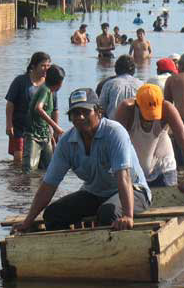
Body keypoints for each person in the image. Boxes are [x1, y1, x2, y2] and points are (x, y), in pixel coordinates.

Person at [11, 88, 151, 234]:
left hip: (134, 191)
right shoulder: (67, 142)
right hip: (96, 193)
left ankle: (109, 251)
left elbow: (124, 177)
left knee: (108, 213)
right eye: (76, 113)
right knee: (53, 214)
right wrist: (28, 221)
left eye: (85, 111)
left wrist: (128, 215)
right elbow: (49, 185)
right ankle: (70, 250)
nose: (81, 117)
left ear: (98, 112)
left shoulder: (114, 133)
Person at [115, 84, 184, 192]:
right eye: (147, 115)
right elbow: (114, 144)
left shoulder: (167, 109)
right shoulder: (126, 110)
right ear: (137, 105)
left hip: (163, 167)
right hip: (135, 171)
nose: (150, 120)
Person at [5, 52, 55, 165]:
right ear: (33, 66)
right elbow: (10, 103)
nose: (46, 69)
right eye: (43, 66)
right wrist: (9, 124)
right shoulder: (21, 81)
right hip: (20, 127)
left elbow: (54, 109)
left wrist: (54, 128)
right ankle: (21, 182)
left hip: (41, 130)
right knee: (19, 160)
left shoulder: (49, 84)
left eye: (48, 66)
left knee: (42, 162)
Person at [22, 65, 65, 173]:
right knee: (29, 171)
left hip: (45, 135)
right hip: (34, 136)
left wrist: (52, 137)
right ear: (60, 83)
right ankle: (28, 188)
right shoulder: (45, 90)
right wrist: (56, 127)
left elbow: (46, 116)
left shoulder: (50, 92)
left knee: (50, 169)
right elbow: (38, 108)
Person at [99, 54, 142, 120]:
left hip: (114, 125)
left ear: (116, 69)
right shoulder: (141, 84)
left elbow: (101, 109)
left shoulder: (109, 84)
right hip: (135, 125)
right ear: (133, 70)